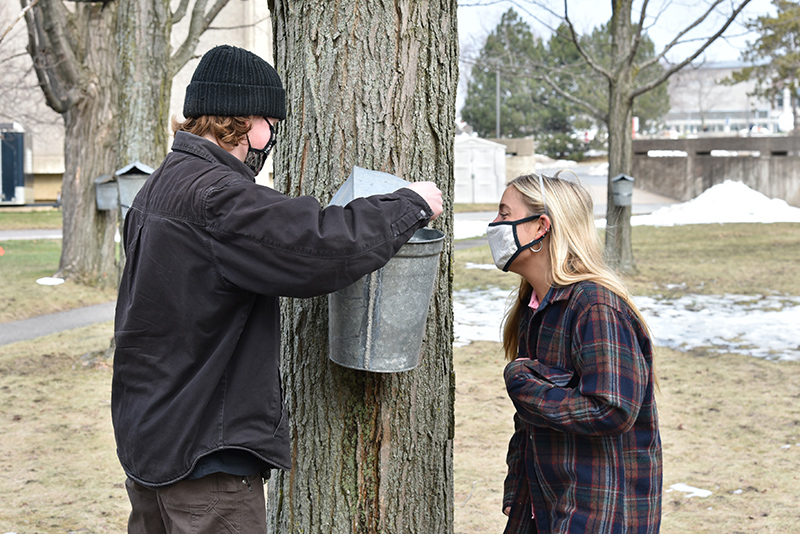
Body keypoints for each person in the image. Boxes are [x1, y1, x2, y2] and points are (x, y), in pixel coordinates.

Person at [111, 44, 443, 533]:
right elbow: (322, 245)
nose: (272, 138)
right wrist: (409, 203)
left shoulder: (159, 186)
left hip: (151, 441)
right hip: (204, 460)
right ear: (247, 122)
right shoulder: (217, 196)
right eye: (271, 123)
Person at [487, 173, 661, 533]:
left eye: (504, 215)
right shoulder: (534, 309)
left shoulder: (595, 306)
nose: (494, 225)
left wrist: (525, 385)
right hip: (543, 508)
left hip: (597, 515)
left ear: (540, 227)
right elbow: (530, 422)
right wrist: (516, 490)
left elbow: (611, 408)